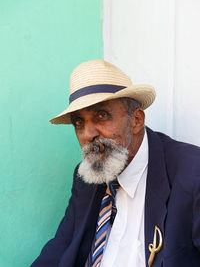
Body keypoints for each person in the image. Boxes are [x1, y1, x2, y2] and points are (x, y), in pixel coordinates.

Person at [31, 60, 200, 267]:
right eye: (78, 122)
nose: (87, 134)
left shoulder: (193, 174)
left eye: (101, 115)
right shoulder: (86, 176)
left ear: (136, 120)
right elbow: (59, 249)